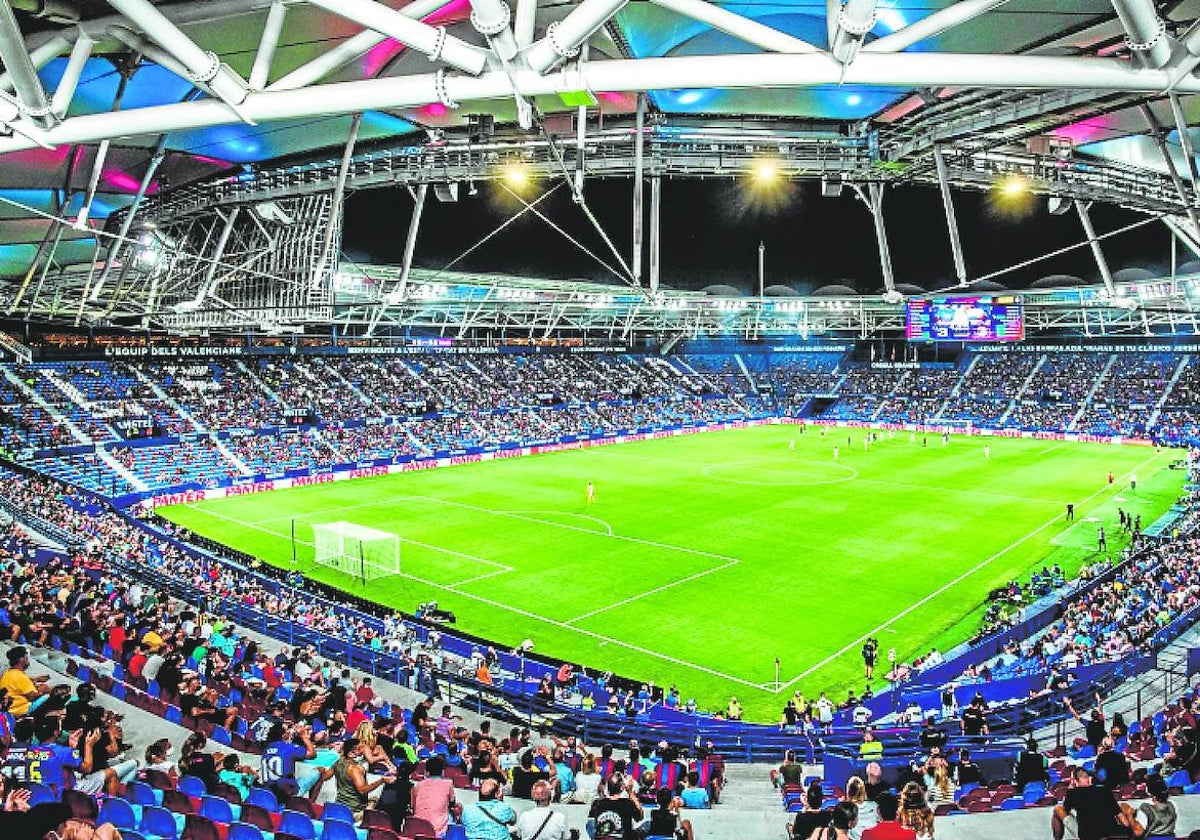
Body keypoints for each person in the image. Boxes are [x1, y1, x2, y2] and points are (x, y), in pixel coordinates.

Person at [1051, 767, 1133, 840]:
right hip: (1111, 832)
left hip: (1088, 835)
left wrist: (1070, 789)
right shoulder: (1105, 791)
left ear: (1075, 780)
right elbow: (1122, 819)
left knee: (1058, 810)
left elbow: (1066, 810)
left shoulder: (1072, 793)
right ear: (1089, 779)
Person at [410, 755, 458, 836]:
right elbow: (452, 803)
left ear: (426, 771)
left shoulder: (417, 786)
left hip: (417, 828)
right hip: (438, 831)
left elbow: (413, 807)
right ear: (442, 771)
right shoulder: (448, 784)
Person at [587, 773, 643, 839]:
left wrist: (601, 793)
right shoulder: (627, 803)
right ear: (622, 788)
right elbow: (640, 817)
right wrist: (630, 792)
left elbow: (591, 824)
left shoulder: (597, 803)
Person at [0, 647, 49, 717]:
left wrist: (36, 680)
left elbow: (19, 686)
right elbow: (32, 697)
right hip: (20, 710)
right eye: (26, 658)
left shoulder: (8, 673)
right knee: (49, 697)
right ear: (21, 660)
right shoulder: (20, 676)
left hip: (10, 709)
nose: (28, 661)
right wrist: (43, 691)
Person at [1136, 774, 1177, 840]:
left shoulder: (1145, 808)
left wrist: (1129, 815)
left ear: (1149, 792)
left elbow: (1137, 832)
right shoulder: (1171, 805)